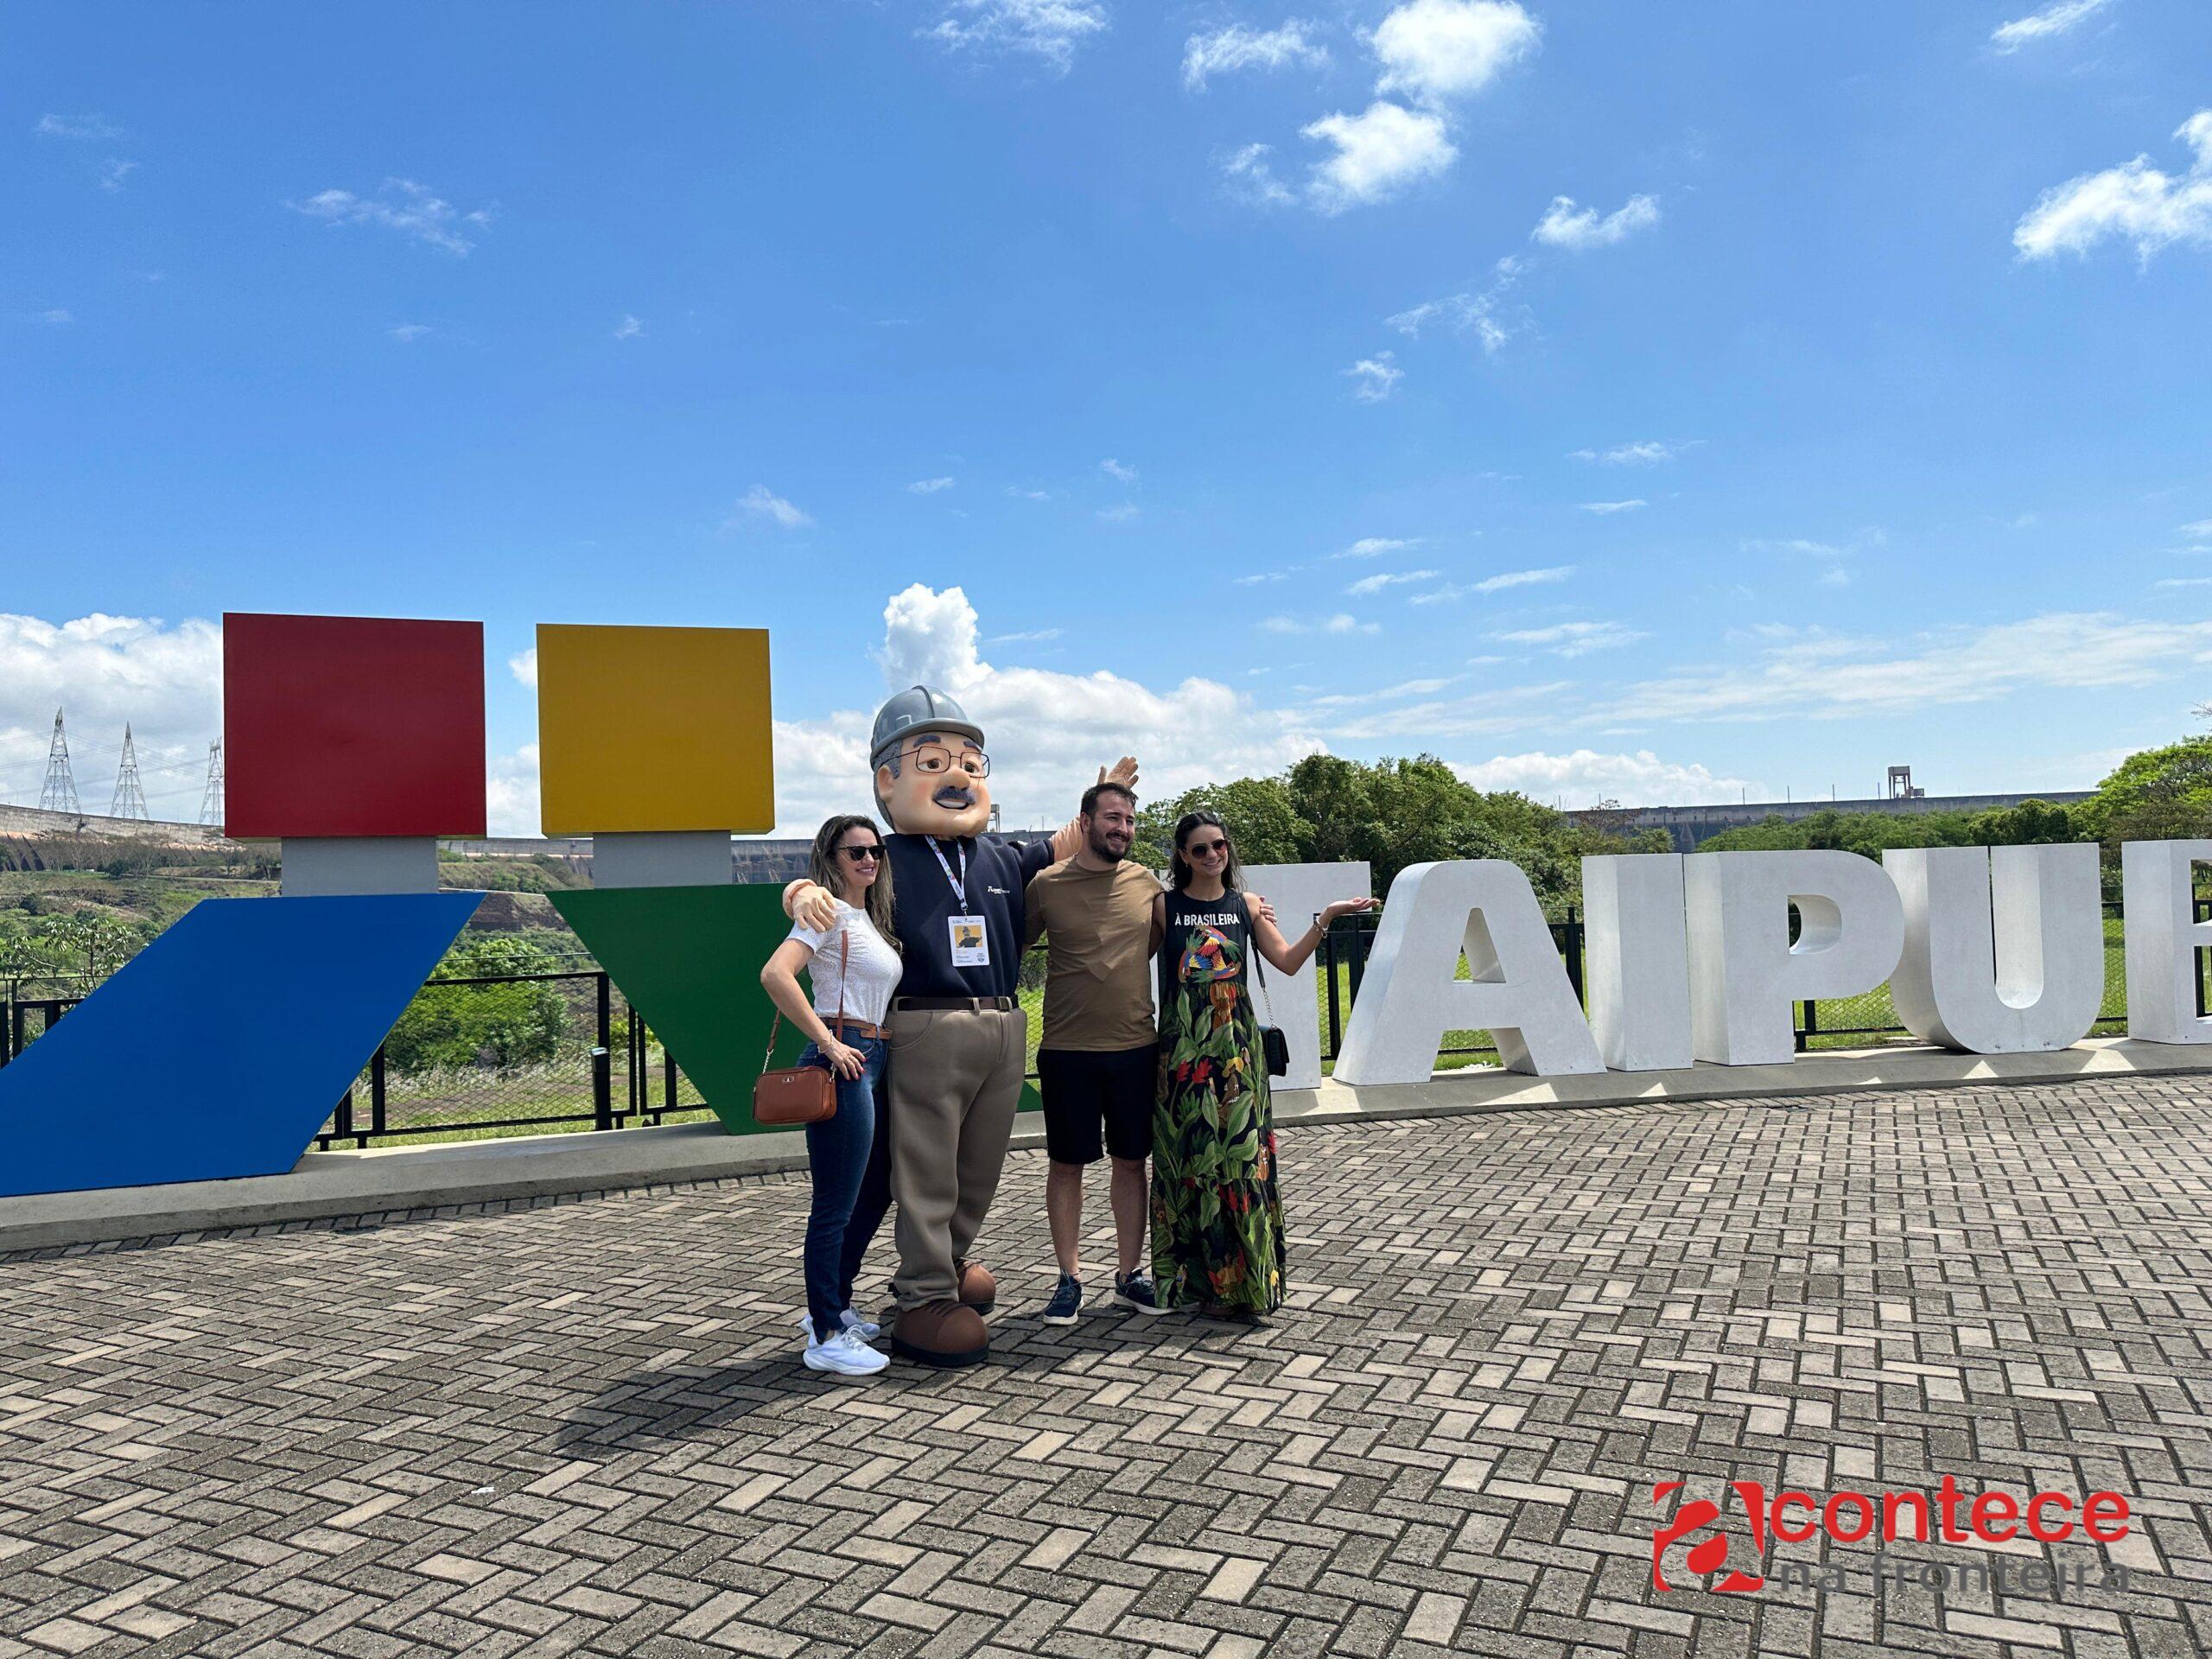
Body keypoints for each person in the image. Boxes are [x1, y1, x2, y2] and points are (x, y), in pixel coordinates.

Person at [784, 684, 1136, 1368]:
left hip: (1003, 1025)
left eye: (972, 764)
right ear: (887, 780)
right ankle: (920, 1296)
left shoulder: (1002, 855)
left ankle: (948, 1262)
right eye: (934, 760)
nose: (958, 777)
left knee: (979, 1169)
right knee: (926, 1170)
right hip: (924, 1028)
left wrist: (1102, 801)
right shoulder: (881, 858)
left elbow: (1066, 841)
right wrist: (798, 892)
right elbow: (821, 884)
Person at [1151, 810, 1376, 1319]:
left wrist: (1329, 916)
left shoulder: (1245, 905)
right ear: (1183, 856)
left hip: (1237, 1058)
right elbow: (1128, 965)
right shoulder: (1163, 908)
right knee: (1191, 1163)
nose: (1213, 856)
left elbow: (1289, 962)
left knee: (1244, 1161)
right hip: (1184, 1057)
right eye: (1201, 849)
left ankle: (1245, 1285)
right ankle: (1199, 1286)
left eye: (1220, 846)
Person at [760, 815, 904, 1376]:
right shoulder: (827, 913)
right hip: (841, 1057)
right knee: (834, 1206)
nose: (868, 860)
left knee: (875, 1189)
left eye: (875, 852)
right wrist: (826, 1042)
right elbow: (776, 974)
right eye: (855, 853)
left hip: (871, 1056)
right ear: (832, 858)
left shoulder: (866, 916)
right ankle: (823, 1334)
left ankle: (836, 1306)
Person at [1022, 779, 1166, 1325]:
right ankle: (1069, 1277)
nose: (1121, 829)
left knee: (1132, 1163)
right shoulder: (1046, 885)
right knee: (1067, 1165)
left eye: (1128, 821)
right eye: (1111, 818)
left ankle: (1130, 1277)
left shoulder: (1146, 883)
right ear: (1085, 822)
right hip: (1066, 1049)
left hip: (1135, 1046)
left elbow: (1162, 940)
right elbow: (1008, 946)